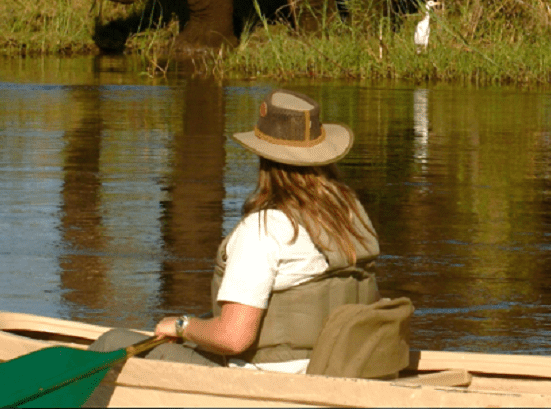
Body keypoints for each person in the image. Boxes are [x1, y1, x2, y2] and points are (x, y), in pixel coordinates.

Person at [91, 89, 382, 373]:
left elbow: (234, 338)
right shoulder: (350, 214)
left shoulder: (263, 230)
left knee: (112, 342)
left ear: (263, 158)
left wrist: (182, 325)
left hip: (272, 381)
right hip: (343, 367)